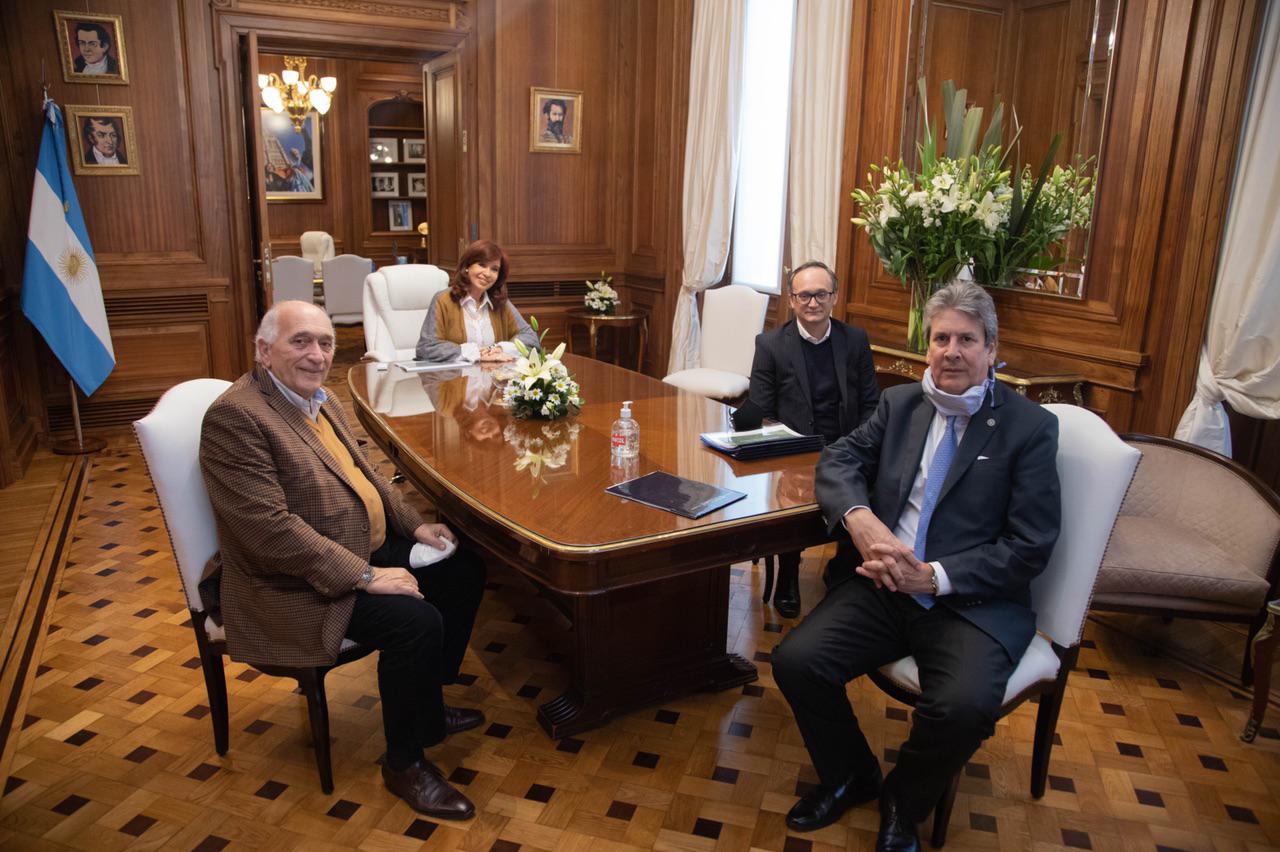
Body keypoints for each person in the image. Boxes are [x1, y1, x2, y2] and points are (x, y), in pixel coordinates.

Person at [772, 281, 1061, 851]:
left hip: (970, 603)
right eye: (941, 338)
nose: (952, 351)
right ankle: (853, 775)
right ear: (927, 346)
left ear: (992, 348)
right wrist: (860, 519)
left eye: (967, 339)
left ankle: (904, 801)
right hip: (883, 585)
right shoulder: (902, 404)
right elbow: (840, 457)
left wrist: (935, 576)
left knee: (961, 708)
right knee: (796, 660)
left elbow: (1030, 545)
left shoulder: (1029, 428)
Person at [199, 300, 487, 820]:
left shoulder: (319, 398)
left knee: (462, 569)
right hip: (291, 581)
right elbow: (269, 533)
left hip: (358, 544)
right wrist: (367, 576)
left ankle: (426, 709)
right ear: (264, 351)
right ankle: (405, 764)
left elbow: (369, 476)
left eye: (326, 342)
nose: (316, 355)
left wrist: (415, 526)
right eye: (300, 341)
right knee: (414, 622)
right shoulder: (237, 417)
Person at [736, 261, 879, 617]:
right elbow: (763, 408)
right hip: (795, 451)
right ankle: (788, 573)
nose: (812, 302)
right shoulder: (770, 344)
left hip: (847, 444)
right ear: (791, 299)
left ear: (834, 296)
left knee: (873, 486)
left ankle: (843, 571)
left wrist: (858, 446)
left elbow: (871, 402)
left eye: (820, 294)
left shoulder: (855, 340)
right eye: (804, 295)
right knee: (790, 495)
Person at [415, 239, 540, 363]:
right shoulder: (443, 300)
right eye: (482, 265)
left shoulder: (501, 303)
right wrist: (475, 353)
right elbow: (426, 348)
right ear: (467, 266)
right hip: (454, 380)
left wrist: (501, 348)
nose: (487, 273)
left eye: (494, 269)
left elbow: (531, 339)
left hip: (494, 380)